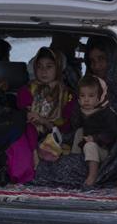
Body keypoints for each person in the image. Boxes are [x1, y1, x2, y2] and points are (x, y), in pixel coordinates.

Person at [7, 47, 75, 183]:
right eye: (39, 67)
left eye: (49, 66)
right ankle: (33, 155)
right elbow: (24, 114)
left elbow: (68, 124)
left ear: (58, 68)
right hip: (31, 134)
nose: (44, 71)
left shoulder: (68, 94)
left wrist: (45, 122)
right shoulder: (26, 90)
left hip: (57, 136)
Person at [69, 75, 117, 186]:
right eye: (82, 96)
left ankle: (93, 176)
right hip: (86, 144)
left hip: (103, 150)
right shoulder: (81, 111)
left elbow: (112, 133)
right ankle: (74, 162)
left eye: (91, 96)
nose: (86, 99)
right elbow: (74, 124)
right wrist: (78, 110)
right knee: (79, 132)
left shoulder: (106, 113)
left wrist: (95, 139)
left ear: (99, 97)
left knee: (90, 145)